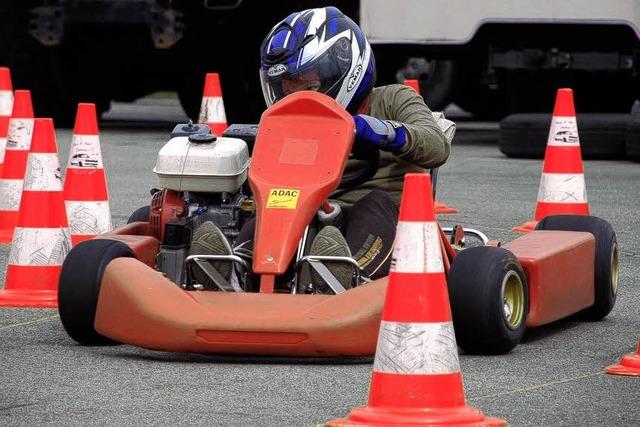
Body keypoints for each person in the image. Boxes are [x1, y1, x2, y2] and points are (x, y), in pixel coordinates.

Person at [190, 6, 455, 292]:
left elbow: (435, 145)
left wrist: (378, 130)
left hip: (381, 219)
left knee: (373, 204)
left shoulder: (393, 99)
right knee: (274, 204)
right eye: (288, 91)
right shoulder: (292, 122)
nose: (299, 98)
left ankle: (345, 276)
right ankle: (236, 272)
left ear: (345, 68)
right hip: (308, 209)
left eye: (310, 86)